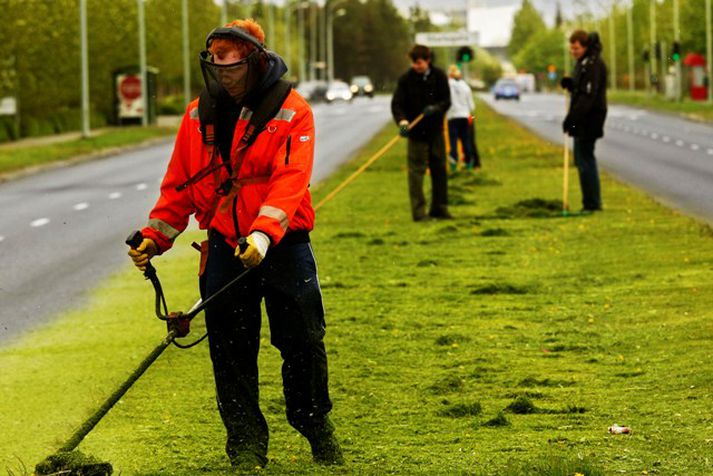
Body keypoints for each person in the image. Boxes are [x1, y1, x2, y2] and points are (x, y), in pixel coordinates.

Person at [127, 19, 343, 472]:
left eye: (233, 66)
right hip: (226, 246)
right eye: (217, 66)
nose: (225, 75)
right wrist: (155, 237)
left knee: (302, 340)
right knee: (230, 350)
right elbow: (180, 187)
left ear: (255, 60)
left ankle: (314, 425)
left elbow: (289, 182)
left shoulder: (292, 110)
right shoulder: (195, 115)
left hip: (282, 245)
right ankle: (245, 445)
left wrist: (264, 233)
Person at [391, 44, 452, 221]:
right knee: (416, 174)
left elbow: (447, 101)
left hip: (435, 132)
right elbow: (397, 104)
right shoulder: (405, 80)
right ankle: (419, 213)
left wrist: (436, 108)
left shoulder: (439, 76)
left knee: (439, 170)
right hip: (416, 135)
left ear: (428, 60)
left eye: (419, 63)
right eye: (414, 63)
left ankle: (439, 209)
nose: (416, 66)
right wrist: (402, 122)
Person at [561, 30, 607, 212]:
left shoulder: (594, 64)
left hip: (590, 118)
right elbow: (580, 90)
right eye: (571, 48)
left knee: (585, 158)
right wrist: (570, 85)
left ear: (585, 46)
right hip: (581, 117)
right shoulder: (583, 63)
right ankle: (590, 202)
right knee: (581, 159)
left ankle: (592, 203)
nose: (573, 51)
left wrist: (571, 119)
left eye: (576, 48)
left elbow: (588, 97)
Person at [445, 64, 478, 172]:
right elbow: (472, 106)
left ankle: (453, 164)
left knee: (453, 141)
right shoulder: (465, 87)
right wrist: (472, 119)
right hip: (465, 117)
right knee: (466, 140)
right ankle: (469, 163)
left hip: (452, 117)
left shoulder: (447, 85)